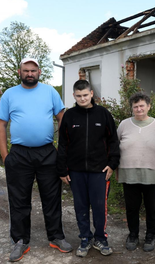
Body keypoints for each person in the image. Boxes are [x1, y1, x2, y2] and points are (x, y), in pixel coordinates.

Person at [0, 58, 72, 262]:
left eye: (33, 70)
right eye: (26, 70)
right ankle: (20, 241)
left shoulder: (50, 92)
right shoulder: (9, 94)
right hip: (19, 154)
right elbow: (1, 124)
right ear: (19, 72)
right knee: (19, 199)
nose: (30, 73)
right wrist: (5, 156)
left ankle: (56, 236)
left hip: (47, 152)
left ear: (39, 72)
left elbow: (62, 118)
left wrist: (61, 150)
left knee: (52, 197)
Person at [56, 80, 120, 257]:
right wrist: (62, 169)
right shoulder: (69, 116)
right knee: (80, 206)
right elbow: (62, 144)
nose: (82, 98)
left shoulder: (103, 114)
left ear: (91, 93)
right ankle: (85, 238)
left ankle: (101, 238)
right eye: (79, 96)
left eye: (85, 95)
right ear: (74, 96)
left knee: (100, 207)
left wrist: (112, 164)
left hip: (99, 171)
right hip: (76, 171)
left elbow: (113, 141)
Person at [117, 92, 155, 252]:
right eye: (135, 106)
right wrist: (116, 168)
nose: (138, 109)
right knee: (132, 207)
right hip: (128, 172)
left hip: (151, 172)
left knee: (151, 207)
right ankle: (133, 235)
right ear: (132, 108)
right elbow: (116, 148)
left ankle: (150, 236)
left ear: (149, 106)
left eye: (142, 106)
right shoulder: (124, 124)